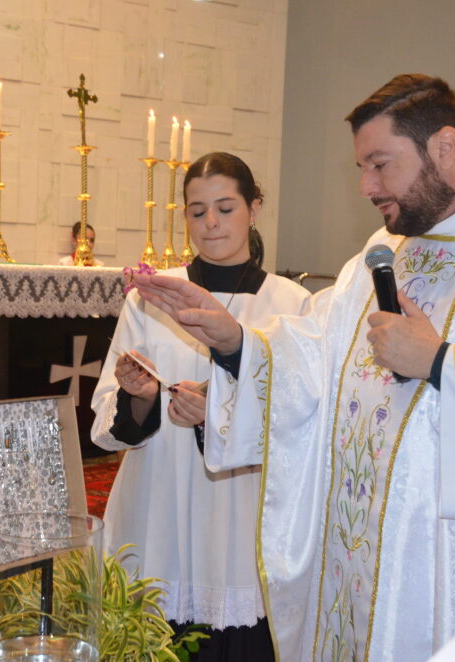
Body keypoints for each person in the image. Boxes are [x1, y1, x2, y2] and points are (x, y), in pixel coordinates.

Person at [134, 75, 455, 661]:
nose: (365, 186)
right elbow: (314, 353)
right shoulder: (381, 254)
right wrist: (235, 341)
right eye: (362, 166)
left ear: (444, 147)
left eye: (380, 165)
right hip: (360, 567)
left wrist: (441, 363)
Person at [91, 152, 310, 660]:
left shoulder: (291, 304)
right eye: (197, 210)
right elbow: (108, 413)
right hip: (158, 497)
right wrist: (138, 398)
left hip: (239, 505)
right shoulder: (153, 296)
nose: (210, 223)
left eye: (226, 208)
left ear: (255, 209)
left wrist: (221, 410)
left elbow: (301, 417)